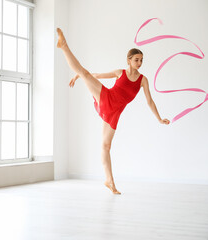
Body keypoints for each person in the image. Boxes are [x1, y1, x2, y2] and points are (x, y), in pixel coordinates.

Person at [56, 28, 170, 194]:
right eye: (136, 59)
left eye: (141, 60)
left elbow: (150, 101)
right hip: (106, 99)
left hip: (114, 113)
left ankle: (109, 181)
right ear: (129, 60)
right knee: (85, 73)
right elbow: (97, 75)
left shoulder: (142, 80)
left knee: (105, 146)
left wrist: (159, 119)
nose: (139, 63)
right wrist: (78, 76)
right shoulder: (120, 73)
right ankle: (64, 45)